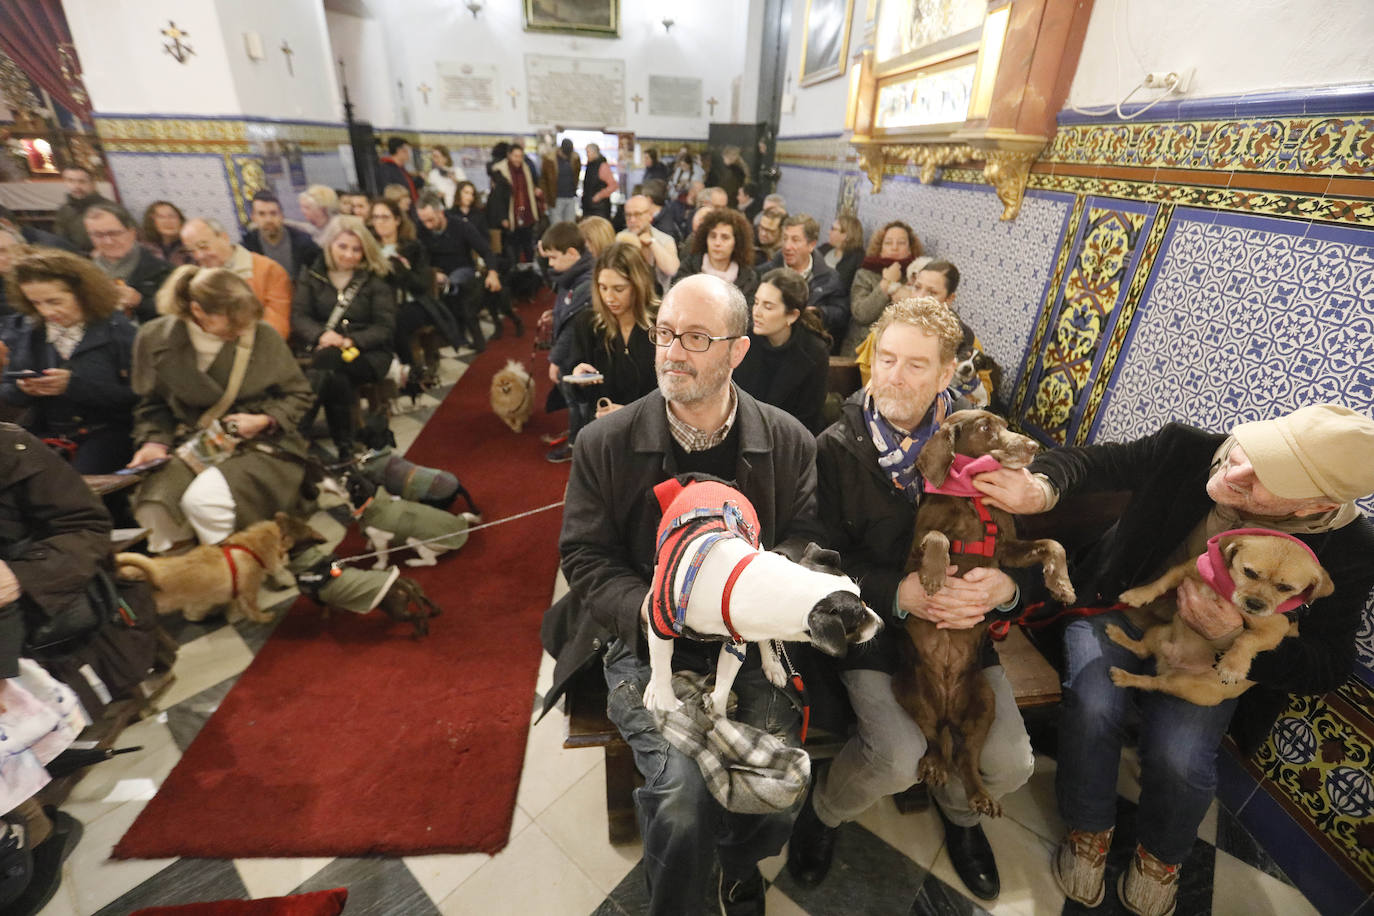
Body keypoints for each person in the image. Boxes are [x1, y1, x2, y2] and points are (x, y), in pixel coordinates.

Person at [974, 404, 1374, 916]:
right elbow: (1096, 464)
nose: (1236, 470)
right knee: (1095, 704)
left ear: (1310, 507)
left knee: (1181, 755)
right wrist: (1042, 487)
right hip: (1118, 609)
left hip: (1213, 661)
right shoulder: (1188, 450)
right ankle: (1088, 829)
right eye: (1257, 450)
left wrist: (1236, 638)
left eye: (1269, 478)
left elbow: (1329, 665)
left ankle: (1160, 857)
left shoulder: (1352, 550)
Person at [543, 273, 824, 916]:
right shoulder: (603, 442)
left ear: (737, 351)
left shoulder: (788, 441)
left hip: (748, 640)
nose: (672, 352)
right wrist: (649, 608)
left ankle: (737, 864)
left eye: (696, 338)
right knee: (680, 798)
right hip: (643, 640)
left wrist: (743, 596)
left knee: (776, 773)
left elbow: (806, 541)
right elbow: (584, 555)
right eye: (666, 333)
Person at [786, 295, 1035, 903]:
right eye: (885, 360)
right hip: (874, 632)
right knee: (897, 755)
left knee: (1013, 763)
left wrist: (1005, 590)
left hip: (963, 635)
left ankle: (961, 811)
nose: (894, 377)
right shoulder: (836, 448)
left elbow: (1016, 549)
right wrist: (895, 594)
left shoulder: (981, 448)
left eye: (915, 365)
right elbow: (807, 552)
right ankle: (825, 813)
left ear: (948, 374)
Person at [127, 265, 314, 552]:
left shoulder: (261, 336)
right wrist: (153, 442)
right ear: (197, 310)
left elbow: (298, 394)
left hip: (260, 443)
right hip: (191, 440)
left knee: (203, 500)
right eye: (231, 324)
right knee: (155, 503)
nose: (241, 331)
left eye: (245, 323)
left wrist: (264, 420)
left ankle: (236, 570)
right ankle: (187, 572)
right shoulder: (154, 338)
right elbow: (151, 405)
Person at [1, 249, 137, 472]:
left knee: (69, 485)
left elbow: (138, 396)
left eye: (54, 301)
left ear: (82, 294)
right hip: (46, 432)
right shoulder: (29, 331)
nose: (46, 311)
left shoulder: (118, 331)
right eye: (36, 303)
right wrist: (25, 388)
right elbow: (8, 391)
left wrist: (73, 385)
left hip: (108, 433)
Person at [291, 216, 396, 458]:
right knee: (335, 376)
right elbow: (299, 317)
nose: (349, 255)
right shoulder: (313, 275)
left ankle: (297, 431)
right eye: (343, 247)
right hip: (326, 348)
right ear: (330, 245)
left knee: (328, 363)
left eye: (356, 249)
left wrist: (351, 341)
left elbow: (385, 327)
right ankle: (345, 448)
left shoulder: (375, 279)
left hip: (369, 353)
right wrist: (322, 335)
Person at [552, 241, 658, 463]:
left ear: (638, 285)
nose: (609, 297)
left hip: (651, 436)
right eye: (603, 287)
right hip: (605, 436)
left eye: (619, 289)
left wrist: (629, 413)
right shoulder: (588, 324)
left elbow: (671, 394)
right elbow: (581, 396)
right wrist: (578, 377)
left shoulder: (663, 324)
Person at [368, 197, 460, 391]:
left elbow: (421, 285)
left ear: (397, 220)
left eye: (385, 217)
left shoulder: (413, 247)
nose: (380, 222)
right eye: (375, 217)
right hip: (379, 305)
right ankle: (381, 376)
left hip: (415, 302)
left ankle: (410, 376)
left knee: (396, 322)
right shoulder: (369, 250)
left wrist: (402, 271)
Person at [733, 268, 829, 434]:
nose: (756, 312)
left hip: (788, 441)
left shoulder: (814, 352)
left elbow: (808, 421)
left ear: (792, 316)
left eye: (768, 307)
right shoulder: (743, 340)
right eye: (756, 302)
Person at [416, 192, 504, 351]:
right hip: (435, 272)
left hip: (462, 269)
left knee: (453, 284)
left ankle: (459, 332)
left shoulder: (461, 226)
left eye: (431, 220)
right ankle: (446, 331)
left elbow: (486, 250)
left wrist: (492, 272)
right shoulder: (420, 230)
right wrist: (432, 273)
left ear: (440, 213)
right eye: (424, 221)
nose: (427, 225)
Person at [180, 218, 293, 341]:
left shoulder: (268, 270)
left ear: (224, 238)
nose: (199, 256)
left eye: (204, 246)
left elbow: (277, 328)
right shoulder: (192, 281)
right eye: (191, 251)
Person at [763, 213, 848, 348]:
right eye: (785, 239)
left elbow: (842, 314)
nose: (787, 246)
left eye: (795, 240)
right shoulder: (764, 274)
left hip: (809, 349)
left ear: (811, 245)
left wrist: (819, 313)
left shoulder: (830, 278)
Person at [844, 220, 924, 355]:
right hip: (861, 350)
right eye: (888, 243)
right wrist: (886, 283)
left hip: (900, 351)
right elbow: (861, 314)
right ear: (880, 248)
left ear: (910, 249)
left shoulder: (917, 276)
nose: (894, 247)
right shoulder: (864, 274)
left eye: (901, 243)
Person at [83, 203, 172, 324]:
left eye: (114, 233)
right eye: (98, 235)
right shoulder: (83, 273)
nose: (108, 241)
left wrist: (140, 302)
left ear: (132, 233)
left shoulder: (163, 270)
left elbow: (176, 314)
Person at [673, 207, 758, 304]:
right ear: (705, 239)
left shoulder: (747, 278)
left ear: (737, 242)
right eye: (713, 236)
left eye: (725, 238)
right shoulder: (689, 267)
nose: (717, 243)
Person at [242, 190, 321, 281]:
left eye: (273, 213)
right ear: (254, 218)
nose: (268, 220)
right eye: (262, 214)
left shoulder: (305, 244)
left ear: (282, 215)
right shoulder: (247, 248)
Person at [486, 142, 542, 264]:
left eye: (520, 156)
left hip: (525, 213)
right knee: (512, 248)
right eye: (515, 156)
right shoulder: (500, 172)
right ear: (509, 156)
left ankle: (529, 270)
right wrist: (503, 218)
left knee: (528, 246)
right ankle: (514, 271)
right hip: (510, 215)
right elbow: (497, 199)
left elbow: (529, 188)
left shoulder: (526, 169)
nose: (518, 159)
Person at [622, 194, 680, 292]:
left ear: (650, 215)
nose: (632, 220)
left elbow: (672, 270)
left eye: (637, 214)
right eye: (628, 215)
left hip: (658, 300)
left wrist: (652, 243)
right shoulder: (620, 238)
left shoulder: (665, 239)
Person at [52, 165, 113, 251]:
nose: (76, 186)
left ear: (93, 184)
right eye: (70, 181)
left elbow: (120, 237)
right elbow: (60, 238)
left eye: (82, 181)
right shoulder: (64, 210)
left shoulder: (110, 208)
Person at [818, 213, 864, 297]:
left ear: (846, 235)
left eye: (833, 229)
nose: (829, 232)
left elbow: (844, 287)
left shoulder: (856, 258)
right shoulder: (825, 248)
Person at [141, 201, 192, 266]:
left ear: (180, 220)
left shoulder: (189, 247)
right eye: (161, 217)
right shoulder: (143, 248)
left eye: (172, 216)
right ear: (151, 222)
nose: (168, 221)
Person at [582, 143, 618, 221]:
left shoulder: (602, 166)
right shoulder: (590, 165)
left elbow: (613, 185)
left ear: (595, 152)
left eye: (588, 152)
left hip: (600, 208)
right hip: (589, 207)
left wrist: (599, 195)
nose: (586, 155)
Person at [549, 139, 582, 224]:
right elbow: (545, 180)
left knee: (570, 227)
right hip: (556, 198)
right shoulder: (551, 159)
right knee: (556, 228)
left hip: (570, 197)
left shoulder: (574, 159)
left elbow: (576, 175)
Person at [376, 137, 417, 203]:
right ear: (399, 151)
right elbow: (389, 192)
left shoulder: (401, 169)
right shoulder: (386, 168)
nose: (409, 154)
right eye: (408, 151)